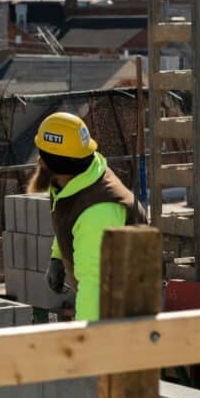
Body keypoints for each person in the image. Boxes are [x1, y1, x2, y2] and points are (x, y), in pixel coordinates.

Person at [27, 112, 144, 322]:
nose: (39, 160)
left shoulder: (97, 212)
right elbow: (68, 216)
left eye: (42, 155)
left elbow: (95, 287)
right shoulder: (76, 179)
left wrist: (85, 340)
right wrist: (57, 257)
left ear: (51, 163)